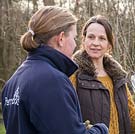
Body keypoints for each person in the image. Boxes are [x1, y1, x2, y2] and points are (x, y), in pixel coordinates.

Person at [1, 6, 108, 134]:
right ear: (61, 38)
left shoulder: (12, 82)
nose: (75, 44)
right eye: (74, 38)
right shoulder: (51, 81)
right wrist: (101, 129)